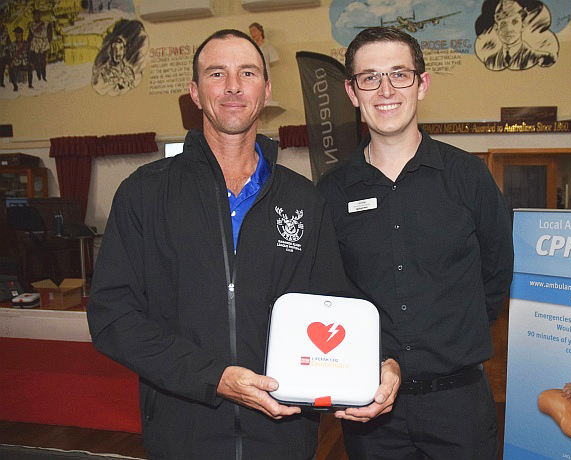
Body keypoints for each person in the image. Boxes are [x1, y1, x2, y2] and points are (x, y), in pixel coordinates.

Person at [87, 29, 400, 460]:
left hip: (283, 437)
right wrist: (213, 377)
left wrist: (378, 361)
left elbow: (336, 302)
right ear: (195, 92)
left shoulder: (303, 199)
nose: (233, 86)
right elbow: (112, 317)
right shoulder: (144, 193)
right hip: (183, 436)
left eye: (247, 73)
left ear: (265, 91)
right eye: (217, 73)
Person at [317, 27, 514, 459]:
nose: (385, 90)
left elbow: (497, 272)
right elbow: (332, 290)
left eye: (399, 74)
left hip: (460, 406)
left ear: (422, 84)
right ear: (352, 92)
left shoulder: (468, 177)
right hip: (372, 409)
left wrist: (455, 337)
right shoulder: (331, 192)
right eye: (370, 78)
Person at [476, 0, 555, 71]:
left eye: (514, 22)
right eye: (503, 24)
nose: (509, 29)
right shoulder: (490, 61)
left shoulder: (537, 58)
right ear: (497, 29)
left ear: (522, 25)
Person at [27, 9, 51, 82]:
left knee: (43, 61)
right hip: (35, 44)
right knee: (36, 62)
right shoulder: (31, 25)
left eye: (37, 15)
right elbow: (30, 36)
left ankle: (44, 76)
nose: (36, 17)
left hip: (43, 43)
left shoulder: (46, 24)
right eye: (34, 15)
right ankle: (39, 77)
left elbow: (49, 34)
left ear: (39, 15)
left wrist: (48, 42)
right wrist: (28, 44)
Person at [9, 26, 33, 91]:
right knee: (10, 69)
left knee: (30, 67)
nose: (17, 36)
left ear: (22, 34)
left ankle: (30, 84)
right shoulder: (12, 45)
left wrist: (30, 62)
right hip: (16, 63)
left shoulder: (26, 44)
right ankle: (15, 86)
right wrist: (11, 62)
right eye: (16, 34)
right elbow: (10, 55)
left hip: (24, 63)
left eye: (19, 34)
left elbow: (29, 54)